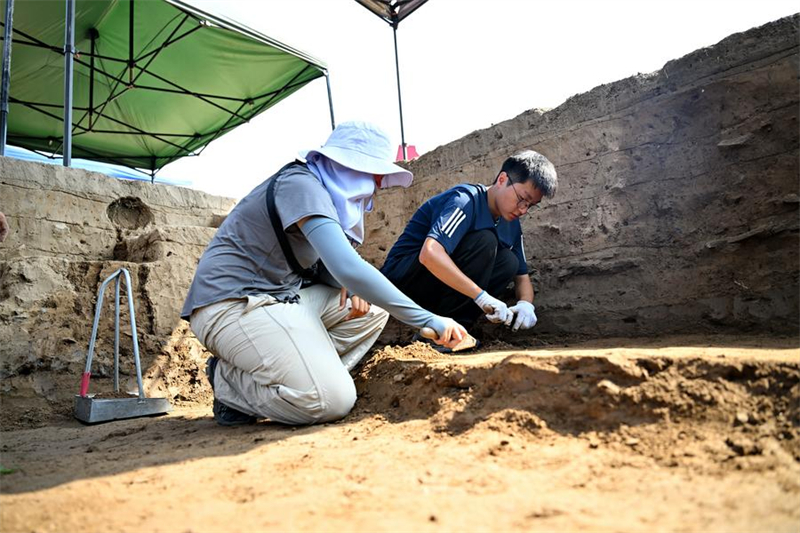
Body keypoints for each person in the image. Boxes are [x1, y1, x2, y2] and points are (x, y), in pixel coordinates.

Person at [181, 121, 467, 427]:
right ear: (350, 166)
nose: (379, 185)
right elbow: (347, 267)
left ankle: (303, 376)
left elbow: (327, 268)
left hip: (278, 299)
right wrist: (428, 319)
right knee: (332, 401)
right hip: (231, 306)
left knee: (372, 310)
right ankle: (228, 383)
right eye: (375, 175)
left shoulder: (323, 195)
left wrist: (351, 285)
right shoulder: (301, 186)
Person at [380, 150, 557, 341]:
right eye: (522, 199)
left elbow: (522, 277)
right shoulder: (465, 200)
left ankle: (458, 329)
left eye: (530, 205)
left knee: (509, 262)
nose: (523, 210)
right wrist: (481, 296)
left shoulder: (511, 223)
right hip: (403, 283)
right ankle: (442, 335)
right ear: (502, 179)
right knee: (485, 241)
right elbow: (429, 254)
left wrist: (526, 305)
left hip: (441, 289)